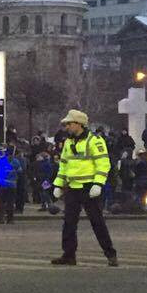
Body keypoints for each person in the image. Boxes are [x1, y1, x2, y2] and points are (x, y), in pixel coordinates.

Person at [51, 109, 118, 267]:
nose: (67, 127)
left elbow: (103, 164)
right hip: (73, 188)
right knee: (68, 223)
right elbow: (64, 165)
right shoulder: (69, 142)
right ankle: (68, 255)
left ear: (78, 124)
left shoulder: (94, 141)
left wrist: (98, 184)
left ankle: (110, 254)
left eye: (69, 124)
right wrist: (59, 184)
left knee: (97, 222)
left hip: (89, 188)